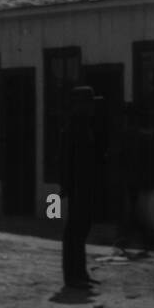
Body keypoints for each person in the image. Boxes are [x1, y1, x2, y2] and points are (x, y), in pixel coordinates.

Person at [59, 85, 100, 289]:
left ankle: (80, 272)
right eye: (89, 103)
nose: (92, 107)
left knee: (82, 228)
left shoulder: (84, 125)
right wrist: (67, 185)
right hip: (78, 185)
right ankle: (72, 275)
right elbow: (67, 159)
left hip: (84, 183)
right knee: (75, 229)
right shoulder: (74, 127)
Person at [116, 104, 154, 257]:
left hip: (134, 179)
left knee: (135, 210)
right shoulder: (144, 136)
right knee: (136, 209)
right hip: (139, 178)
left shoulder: (129, 135)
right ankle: (135, 238)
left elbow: (123, 158)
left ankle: (136, 238)